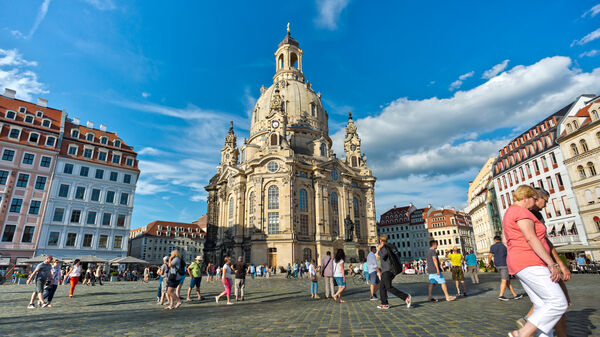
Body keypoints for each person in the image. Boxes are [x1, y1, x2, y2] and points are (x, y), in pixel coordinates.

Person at [504, 185, 568, 337]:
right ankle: (522, 333)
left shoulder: (511, 211)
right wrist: (551, 264)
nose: (536, 202)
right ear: (525, 198)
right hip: (530, 261)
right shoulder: (521, 211)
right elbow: (531, 238)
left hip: (521, 262)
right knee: (558, 302)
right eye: (534, 199)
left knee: (541, 306)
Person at [377, 235, 411, 309]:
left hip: (388, 270)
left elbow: (383, 256)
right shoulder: (389, 246)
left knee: (388, 287)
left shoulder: (385, 247)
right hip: (386, 270)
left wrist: (379, 249)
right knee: (382, 287)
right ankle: (384, 303)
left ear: (380, 241)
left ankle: (406, 297)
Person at [488, 235, 522, 300]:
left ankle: (515, 295)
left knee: (507, 280)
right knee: (504, 280)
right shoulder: (505, 246)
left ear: (495, 240)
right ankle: (501, 295)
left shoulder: (492, 246)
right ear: (500, 239)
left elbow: (490, 256)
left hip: (497, 265)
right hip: (504, 264)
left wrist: (489, 263)